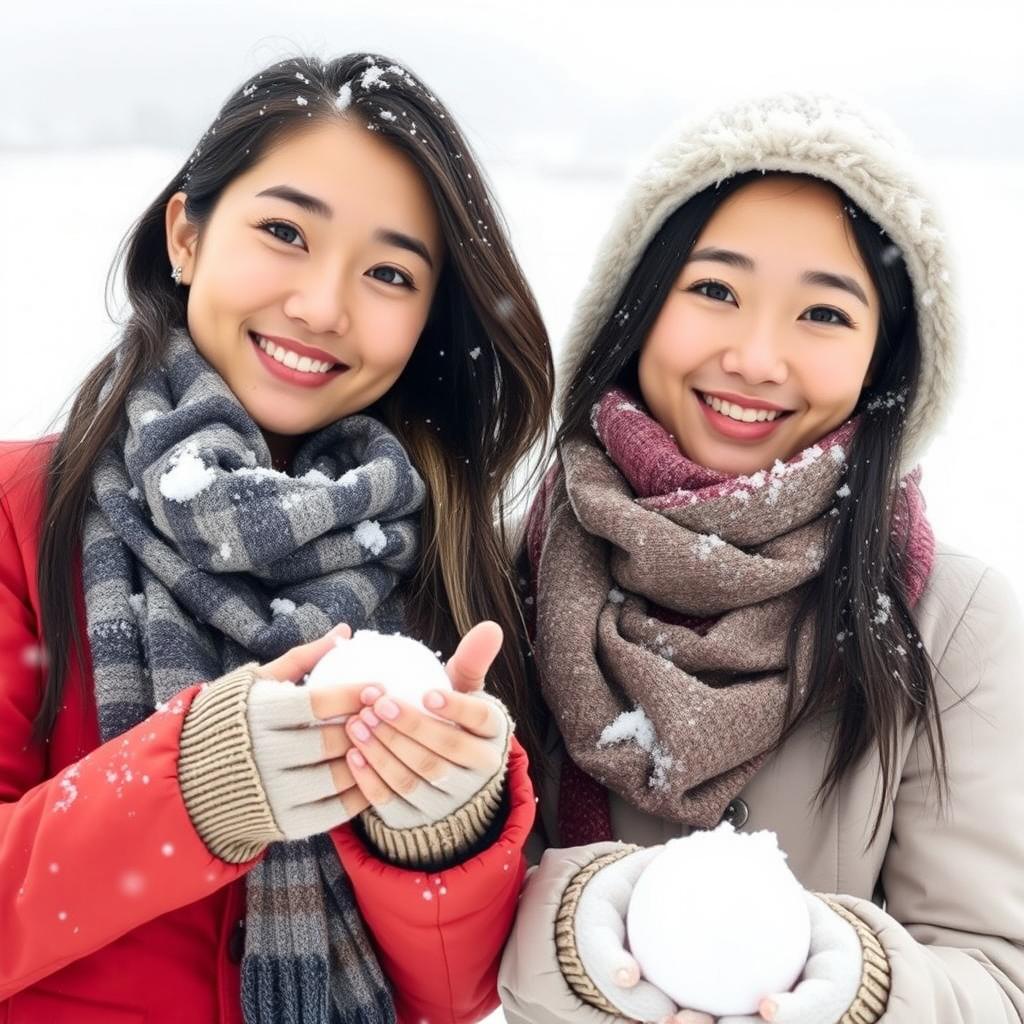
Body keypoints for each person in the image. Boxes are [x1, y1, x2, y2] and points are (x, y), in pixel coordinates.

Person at [0, 52, 552, 1024]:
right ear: (185, 232)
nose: (322, 305)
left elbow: (460, 991)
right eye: (283, 232)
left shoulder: (443, 556)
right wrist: (191, 785)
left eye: (388, 271)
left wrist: (438, 827)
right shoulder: (19, 512)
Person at [498, 95, 1024, 1024]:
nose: (756, 356)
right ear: (637, 308)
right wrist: (582, 934)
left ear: (884, 360)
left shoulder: (957, 621)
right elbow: (432, 938)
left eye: (823, 312)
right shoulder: (503, 577)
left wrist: (853, 980)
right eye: (713, 290)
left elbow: (995, 975)